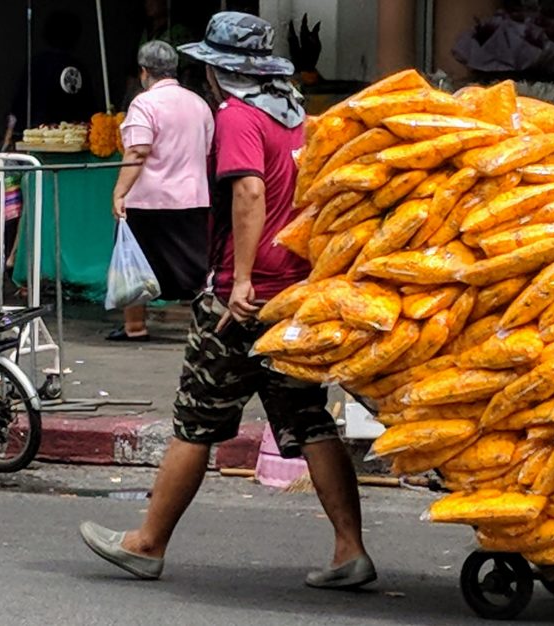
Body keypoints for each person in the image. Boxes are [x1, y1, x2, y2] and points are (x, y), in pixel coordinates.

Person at [80, 12, 377, 590]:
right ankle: (350, 550)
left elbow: (248, 192)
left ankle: (147, 543)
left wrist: (238, 281)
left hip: (245, 300)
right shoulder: (294, 117)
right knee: (310, 420)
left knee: (195, 420)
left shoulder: (238, 117)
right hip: (290, 291)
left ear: (220, 72)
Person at [106, 41, 213, 342]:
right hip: (192, 197)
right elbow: (206, 150)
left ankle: (135, 327)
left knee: (134, 264)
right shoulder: (199, 104)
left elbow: (138, 151)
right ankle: (207, 327)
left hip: (148, 201)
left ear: (144, 71)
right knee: (196, 268)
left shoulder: (144, 104)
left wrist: (119, 192)